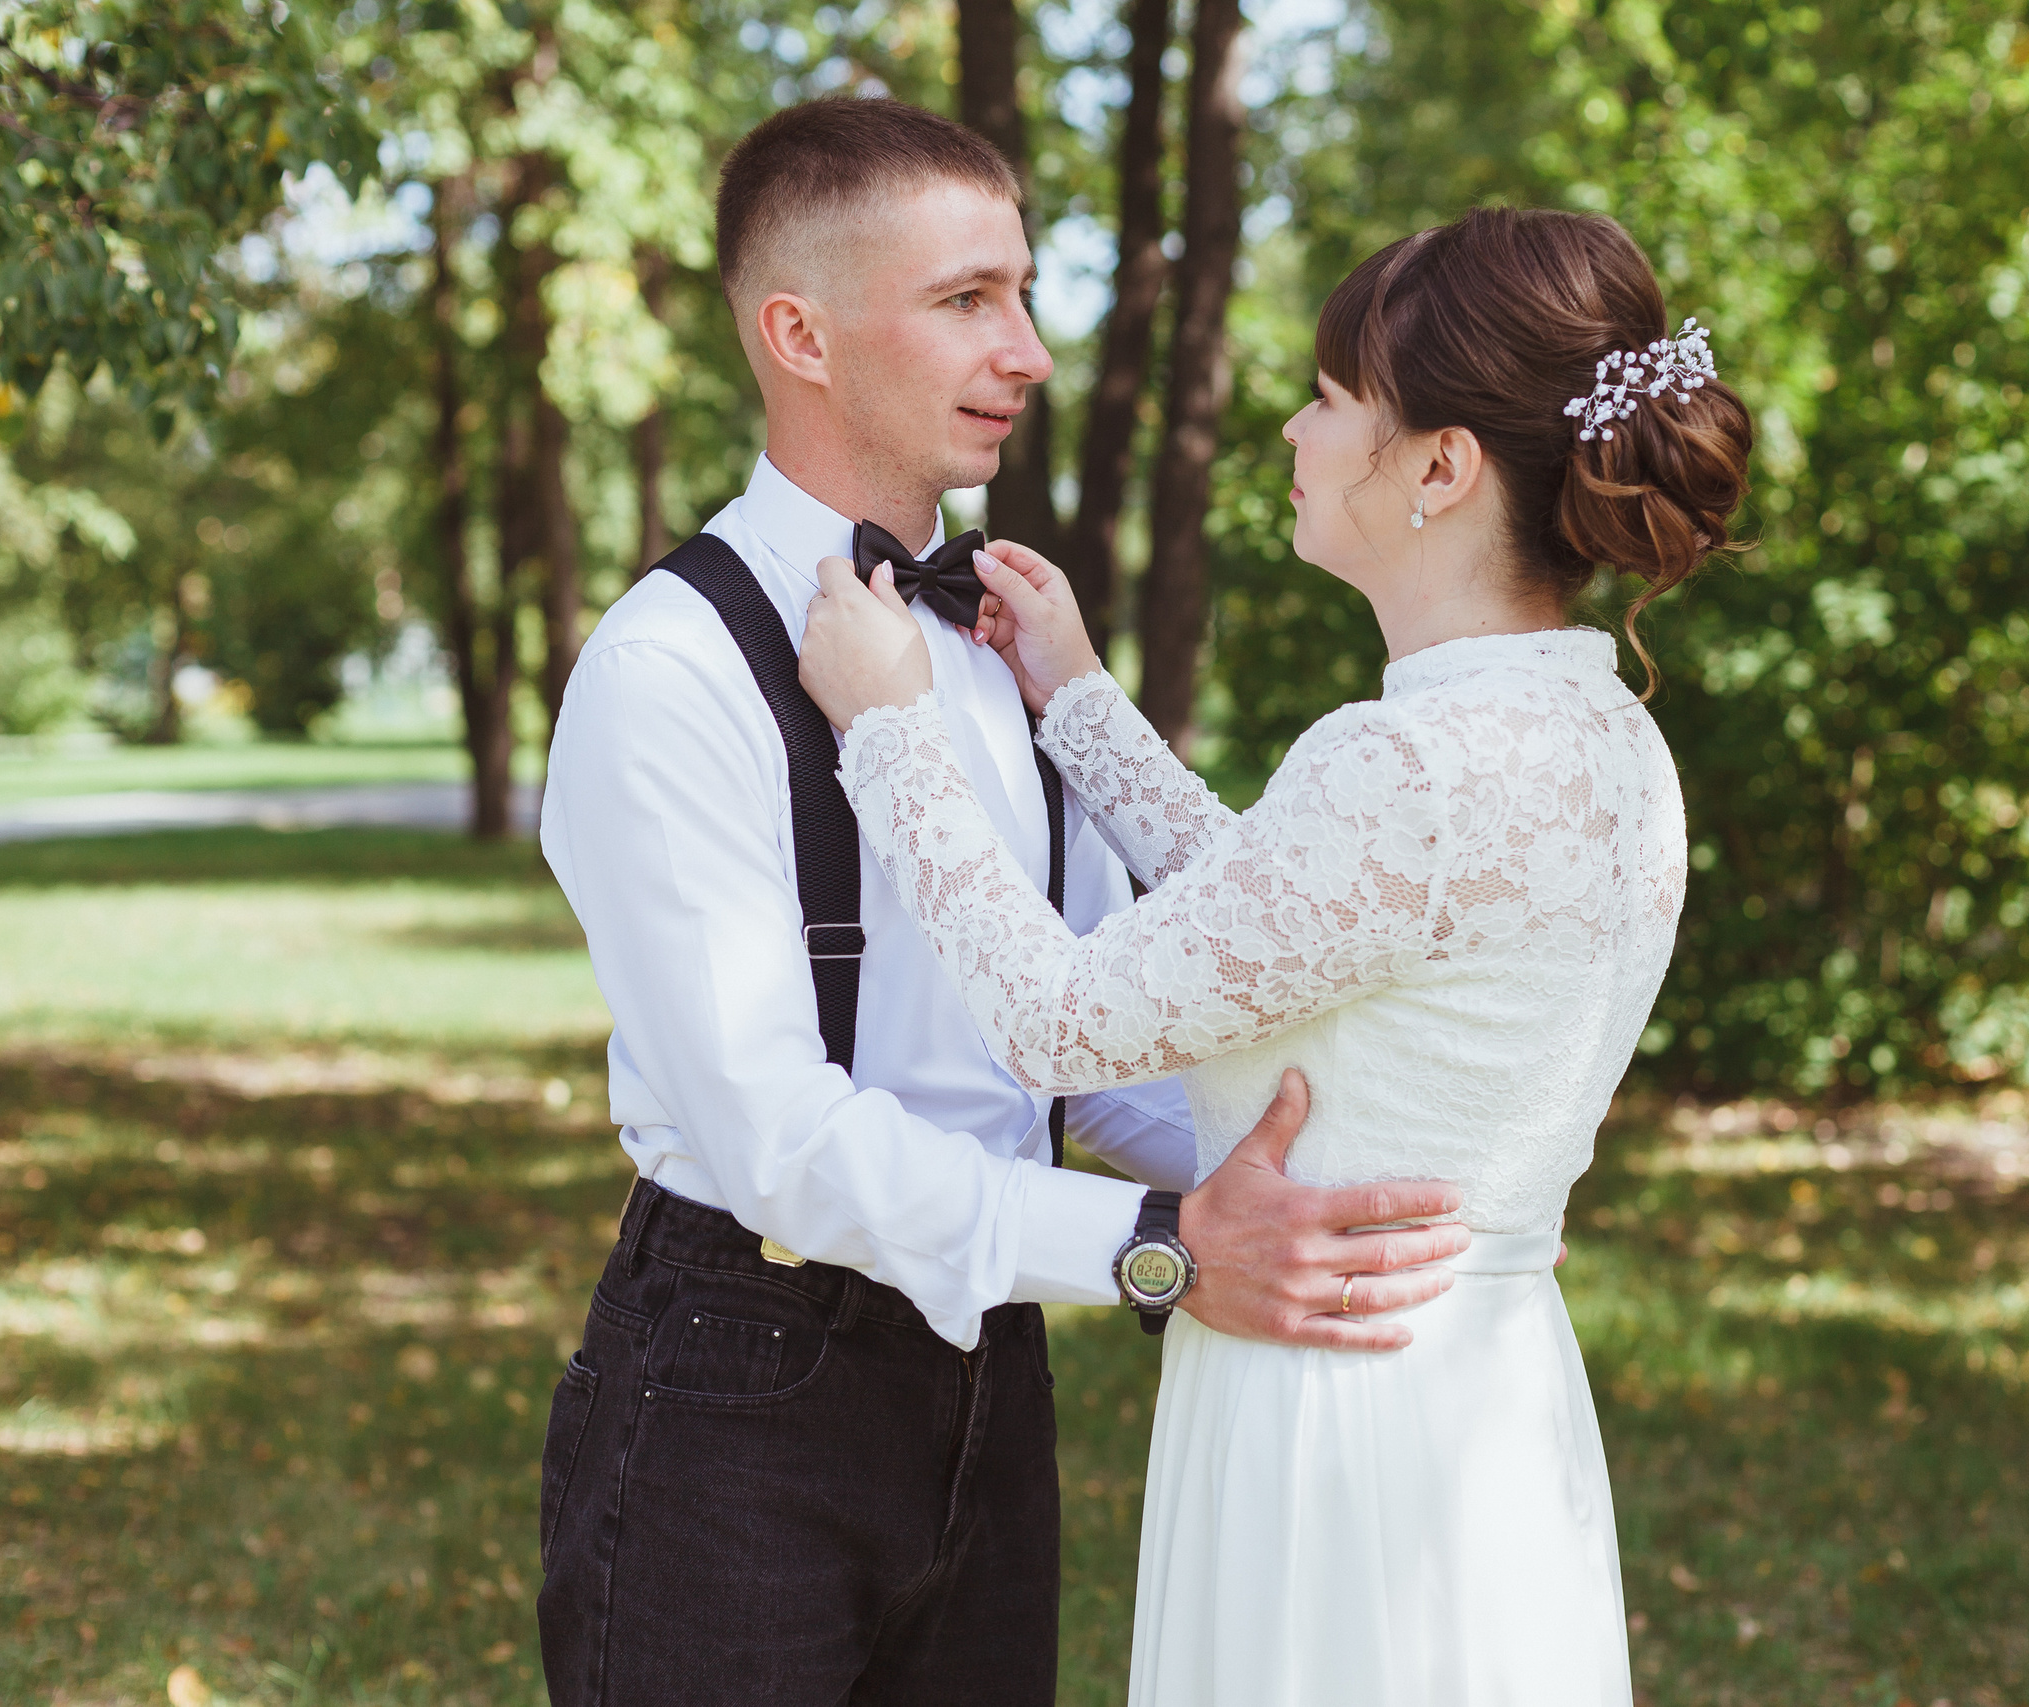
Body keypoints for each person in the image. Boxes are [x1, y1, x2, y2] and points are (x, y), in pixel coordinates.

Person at [533, 95, 1473, 1707]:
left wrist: (1336, 1201)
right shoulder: (670, 668)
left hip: (991, 1377)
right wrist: (1164, 1251)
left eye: (1025, 295)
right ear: (799, 334)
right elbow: (779, 1140)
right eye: (969, 300)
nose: (1029, 349)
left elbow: (1089, 1037)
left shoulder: (998, 643)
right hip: (739, 1388)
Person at [799, 205, 1752, 1704]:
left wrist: (891, 730)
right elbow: (1285, 918)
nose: (1295, 429)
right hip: (1489, 1390)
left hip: (1338, 1418)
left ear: (1439, 468)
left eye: (1330, 399)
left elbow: (1062, 1020)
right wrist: (1077, 703)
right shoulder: (1601, 737)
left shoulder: (1406, 764)